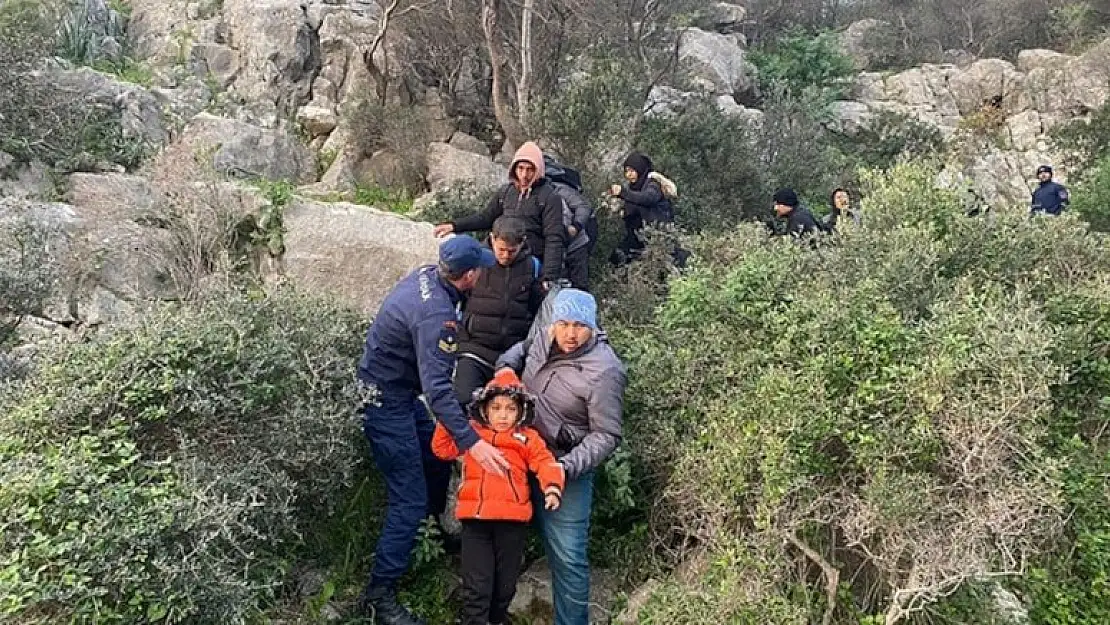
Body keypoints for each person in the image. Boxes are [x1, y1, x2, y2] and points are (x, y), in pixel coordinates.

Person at [356, 236, 512, 625]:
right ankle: (379, 595)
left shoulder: (430, 275)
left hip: (397, 391)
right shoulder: (436, 316)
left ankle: (429, 532)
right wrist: (474, 444)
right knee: (407, 496)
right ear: (468, 276)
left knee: (435, 460)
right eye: (481, 268)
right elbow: (439, 391)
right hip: (385, 401)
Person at [495, 289, 627, 625]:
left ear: (593, 327)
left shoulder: (605, 370)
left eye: (580, 326)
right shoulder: (543, 336)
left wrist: (564, 468)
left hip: (564, 468)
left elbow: (607, 435)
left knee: (568, 558)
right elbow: (516, 352)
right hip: (520, 454)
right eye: (564, 323)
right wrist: (507, 370)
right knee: (494, 536)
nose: (570, 334)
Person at [431, 369, 565, 625]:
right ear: (484, 409)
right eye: (496, 408)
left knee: (505, 587)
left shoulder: (527, 438)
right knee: (476, 586)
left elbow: (546, 462)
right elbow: (442, 448)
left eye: (510, 409)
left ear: (521, 411)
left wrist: (552, 488)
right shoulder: (472, 435)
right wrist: (446, 417)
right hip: (476, 521)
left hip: (512, 523)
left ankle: (497, 619)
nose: (503, 416)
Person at [434, 141, 566, 286]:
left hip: (526, 256)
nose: (524, 175)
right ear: (514, 168)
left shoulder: (549, 197)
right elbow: (486, 217)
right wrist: (454, 226)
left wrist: (549, 277)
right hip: (497, 250)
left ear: (538, 170)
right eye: (520, 168)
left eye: (530, 170)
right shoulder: (506, 192)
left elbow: (554, 238)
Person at [454, 216, 545, 405]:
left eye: (511, 251)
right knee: (464, 401)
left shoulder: (532, 267)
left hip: (511, 355)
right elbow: (457, 298)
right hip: (474, 349)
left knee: (507, 410)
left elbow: (539, 310)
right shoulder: (475, 261)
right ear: (492, 239)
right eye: (501, 249)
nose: (504, 255)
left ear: (522, 243)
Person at [608, 152, 676, 265]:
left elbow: (647, 198)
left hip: (657, 235)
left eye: (632, 171)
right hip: (638, 236)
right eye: (626, 171)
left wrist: (623, 193)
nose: (629, 175)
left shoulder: (653, 184)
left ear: (640, 169)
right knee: (618, 258)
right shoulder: (634, 187)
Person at [544, 153, 594, 291]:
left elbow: (583, 206)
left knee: (580, 286)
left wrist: (575, 227)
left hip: (575, 245)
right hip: (554, 249)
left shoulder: (559, 188)